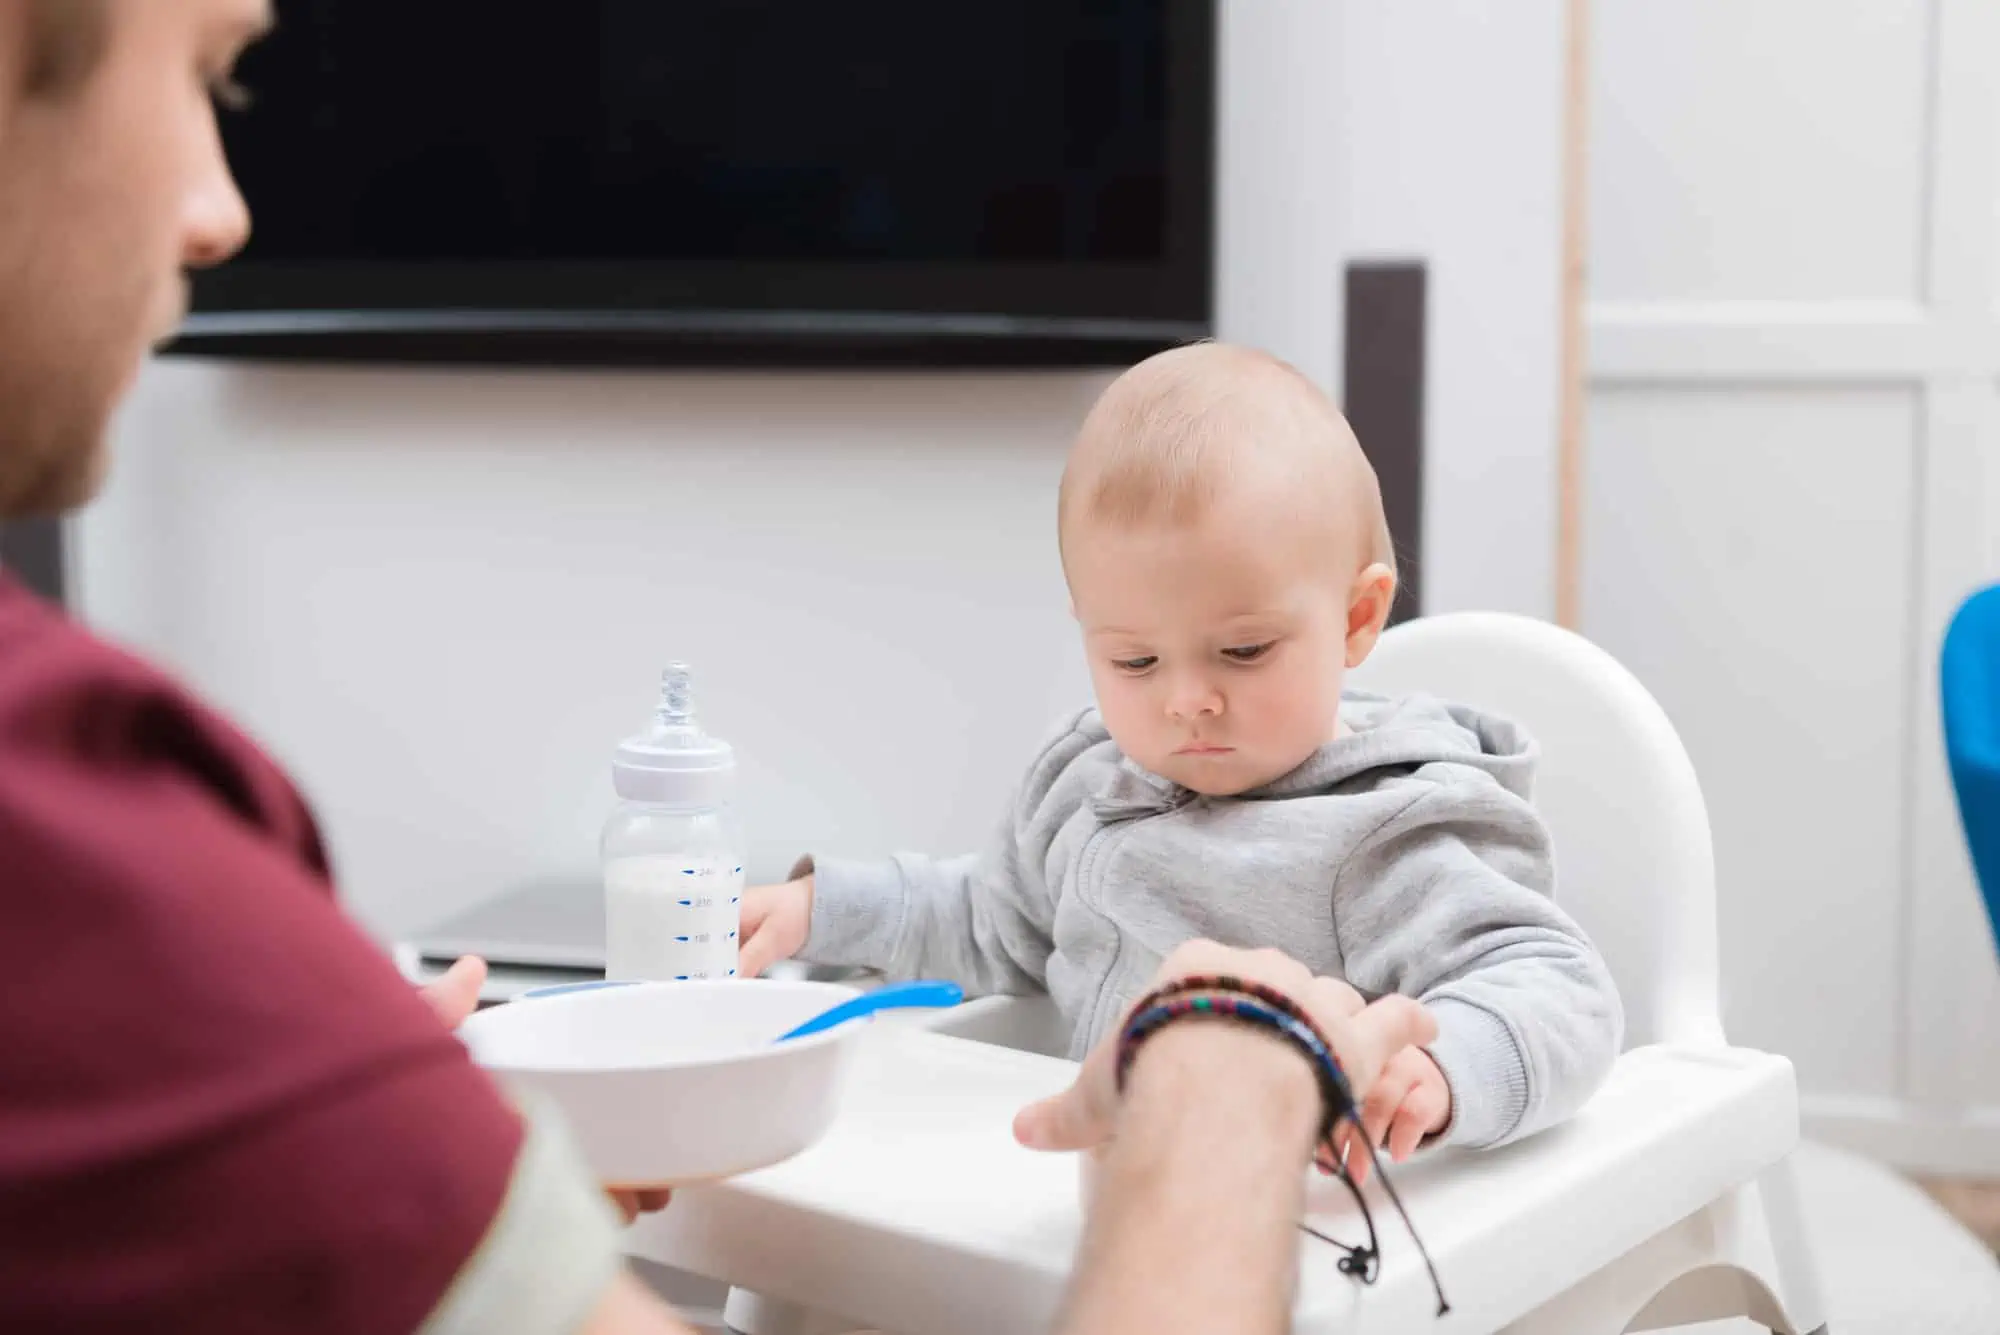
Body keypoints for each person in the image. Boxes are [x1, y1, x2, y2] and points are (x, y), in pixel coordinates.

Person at [0, 3, 1437, 1333]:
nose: (222, 207)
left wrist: (386, 1139)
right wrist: (1227, 1075)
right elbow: (988, 908)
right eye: (198, 76)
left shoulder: (1407, 812)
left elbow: (1529, 990)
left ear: (1359, 617)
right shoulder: (64, 826)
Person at [742, 342, 1624, 1174]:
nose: (1185, 698)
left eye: (1242, 652)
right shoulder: (1087, 780)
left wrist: (1447, 1068)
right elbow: (992, 923)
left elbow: (1558, 985)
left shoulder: (1382, 831)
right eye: (1134, 661)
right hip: (1087, 1187)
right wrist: (825, 907)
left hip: (1280, 1224)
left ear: (1357, 620)